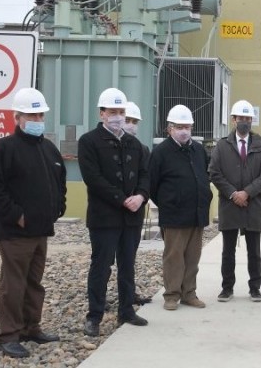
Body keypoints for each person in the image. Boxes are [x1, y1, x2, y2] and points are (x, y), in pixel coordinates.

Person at [0, 87, 66, 358]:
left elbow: (59, 185)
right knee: (13, 284)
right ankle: (8, 335)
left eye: (40, 115)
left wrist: (58, 209)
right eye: (31, 115)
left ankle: (31, 327)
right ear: (17, 117)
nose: (37, 120)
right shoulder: (3, 149)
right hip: (15, 232)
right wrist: (17, 215)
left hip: (41, 231)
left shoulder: (49, 149)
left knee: (34, 282)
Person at [79, 88, 150, 337]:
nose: (118, 117)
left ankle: (126, 309)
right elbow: (93, 178)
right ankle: (94, 315)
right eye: (113, 112)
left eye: (122, 112)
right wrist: (122, 199)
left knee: (127, 265)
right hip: (104, 217)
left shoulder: (136, 146)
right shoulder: (89, 142)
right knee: (101, 266)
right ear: (102, 113)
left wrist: (141, 196)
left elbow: (145, 175)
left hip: (132, 217)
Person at [149, 104, 213, 311]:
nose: (184, 130)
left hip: (196, 213)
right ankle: (171, 295)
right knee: (174, 256)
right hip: (174, 215)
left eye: (187, 126)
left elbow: (205, 175)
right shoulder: (161, 152)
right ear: (170, 128)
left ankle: (189, 293)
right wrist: (170, 202)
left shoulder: (198, 150)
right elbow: (153, 185)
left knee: (192, 257)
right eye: (179, 126)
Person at [209, 100, 261, 303]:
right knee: (228, 250)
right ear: (233, 120)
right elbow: (215, 173)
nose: (244, 122)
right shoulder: (222, 145)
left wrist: (248, 193)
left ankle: (255, 288)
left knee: (254, 251)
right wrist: (234, 194)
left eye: (248, 118)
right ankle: (227, 288)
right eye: (241, 118)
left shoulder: (260, 145)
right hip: (230, 204)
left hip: (254, 205)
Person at [122, 101, 152, 306]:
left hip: (135, 212)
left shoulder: (142, 149)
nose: (131, 124)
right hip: (109, 212)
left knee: (128, 259)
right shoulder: (99, 144)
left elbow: (146, 177)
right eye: (128, 120)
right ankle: (99, 299)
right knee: (103, 261)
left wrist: (141, 196)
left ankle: (128, 295)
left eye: (134, 121)